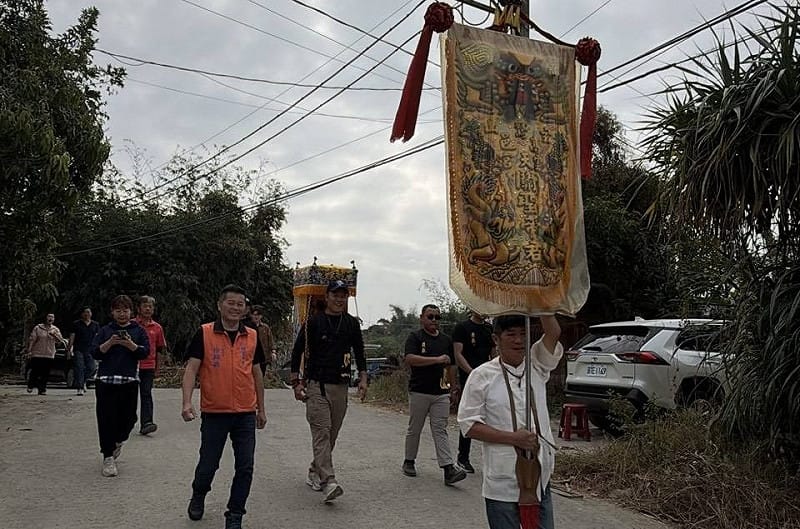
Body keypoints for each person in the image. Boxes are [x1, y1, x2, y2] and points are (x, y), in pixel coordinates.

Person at [457, 314, 562, 529]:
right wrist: (513, 438)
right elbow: (468, 425)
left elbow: (553, 333)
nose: (518, 340)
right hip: (502, 480)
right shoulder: (481, 376)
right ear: (496, 339)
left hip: (539, 476)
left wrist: (541, 303)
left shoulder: (537, 365)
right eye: (511, 334)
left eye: (523, 334)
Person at [182, 284, 267, 529]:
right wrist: (187, 402)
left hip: (245, 412)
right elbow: (191, 369)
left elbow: (257, 373)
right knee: (208, 464)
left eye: (240, 304)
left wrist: (261, 409)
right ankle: (199, 494)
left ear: (245, 309)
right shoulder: (204, 333)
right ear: (220, 305)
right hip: (215, 412)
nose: (236, 308)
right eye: (231, 303)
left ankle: (235, 514)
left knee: (245, 466)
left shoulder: (252, 335)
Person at [290, 279, 367, 503]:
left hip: (341, 386)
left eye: (343, 295)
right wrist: (296, 382)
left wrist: (363, 378)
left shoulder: (351, 323)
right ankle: (329, 481)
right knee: (322, 432)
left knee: (331, 434)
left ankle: (315, 470)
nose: (339, 299)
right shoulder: (314, 322)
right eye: (335, 295)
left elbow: (359, 352)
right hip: (317, 386)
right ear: (327, 297)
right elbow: (297, 352)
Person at [401, 304, 466, 486]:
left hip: (441, 392)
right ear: (422, 318)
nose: (434, 320)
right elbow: (410, 359)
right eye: (430, 316)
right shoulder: (415, 337)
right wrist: (436, 360)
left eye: (437, 317)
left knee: (440, 429)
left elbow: (451, 366)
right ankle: (409, 460)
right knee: (415, 428)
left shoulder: (446, 340)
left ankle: (448, 468)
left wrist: (453, 387)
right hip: (419, 391)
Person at [90, 295, 150, 477]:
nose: (122, 314)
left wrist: (130, 344)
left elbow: (145, 352)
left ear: (131, 312)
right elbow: (94, 352)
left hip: (129, 381)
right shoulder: (105, 330)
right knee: (106, 419)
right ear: (112, 312)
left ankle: (118, 441)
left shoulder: (138, 331)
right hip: (105, 381)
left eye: (125, 310)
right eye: (118, 311)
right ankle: (107, 456)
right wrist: (110, 342)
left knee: (129, 418)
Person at [452, 311, 495, 472]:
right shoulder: (462, 327)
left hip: (488, 378)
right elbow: (458, 354)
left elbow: (493, 353)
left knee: (492, 416)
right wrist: (473, 373)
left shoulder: (489, 329)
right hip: (469, 378)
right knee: (469, 417)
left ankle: (493, 459)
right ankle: (463, 458)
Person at [136, 296, 167, 435]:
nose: (148, 309)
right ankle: (126, 421)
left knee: (146, 393)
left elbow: (160, 349)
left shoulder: (157, 328)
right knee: (129, 395)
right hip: (132, 366)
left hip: (148, 366)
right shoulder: (132, 325)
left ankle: (147, 422)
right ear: (139, 308)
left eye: (150, 306)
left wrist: (158, 368)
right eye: (145, 306)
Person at [26, 313, 65, 395]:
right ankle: (31, 385)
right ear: (45, 318)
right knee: (35, 371)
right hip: (37, 353)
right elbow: (32, 339)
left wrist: (54, 335)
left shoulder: (55, 329)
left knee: (45, 373)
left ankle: (42, 389)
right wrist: (29, 350)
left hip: (49, 354)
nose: (50, 319)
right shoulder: (38, 328)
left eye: (52, 317)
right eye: (49, 317)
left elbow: (60, 342)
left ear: (54, 319)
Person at [68, 307, 100, 396]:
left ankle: (83, 380)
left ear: (91, 313)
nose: (87, 314)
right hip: (78, 349)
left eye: (88, 312)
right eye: (85, 312)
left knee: (92, 368)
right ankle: (80, 387)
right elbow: (72, 337)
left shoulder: (95, 325)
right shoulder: (76, 324)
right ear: (82, 314)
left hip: (90, 349)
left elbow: (97, 337)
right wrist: (69, 349)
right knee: (79, 367)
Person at [249, 305, 276, 377]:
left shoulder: (265, 327)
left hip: (263, 356)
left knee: (261, 375)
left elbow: (270, 340)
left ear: (261, 316)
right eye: (254, 315)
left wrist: (273, 352)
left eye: (258, 315)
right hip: (251, 356)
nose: (256, 317)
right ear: (251, 315)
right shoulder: (248, 327)